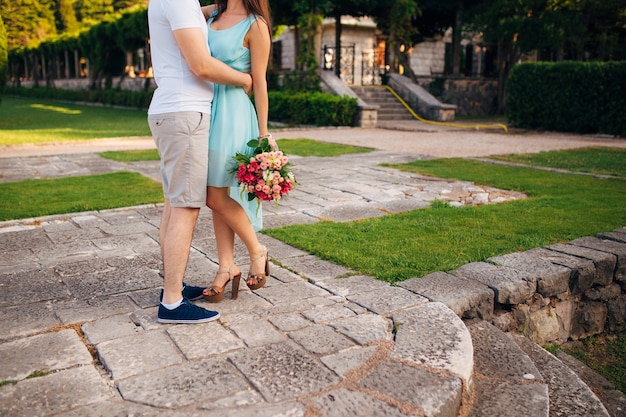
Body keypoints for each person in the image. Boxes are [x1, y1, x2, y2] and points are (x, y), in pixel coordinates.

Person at [147, 0, 252, 323]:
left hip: (171, 111)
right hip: (185, 113)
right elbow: (201, 65)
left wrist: (224, 7)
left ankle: (171, 287)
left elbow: (204, 13)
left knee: (172, 203)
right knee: (186, 207)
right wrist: (244, 80)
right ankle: (173, 304)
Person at [201, 0, 273, 303]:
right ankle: (226, 267)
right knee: (218, 196)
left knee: (214, 195)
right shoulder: (213, 13)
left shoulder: (256, 25)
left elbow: (260, 83)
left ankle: (257, 251)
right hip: (207, 108)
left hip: (234, 115)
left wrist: (263, 135)